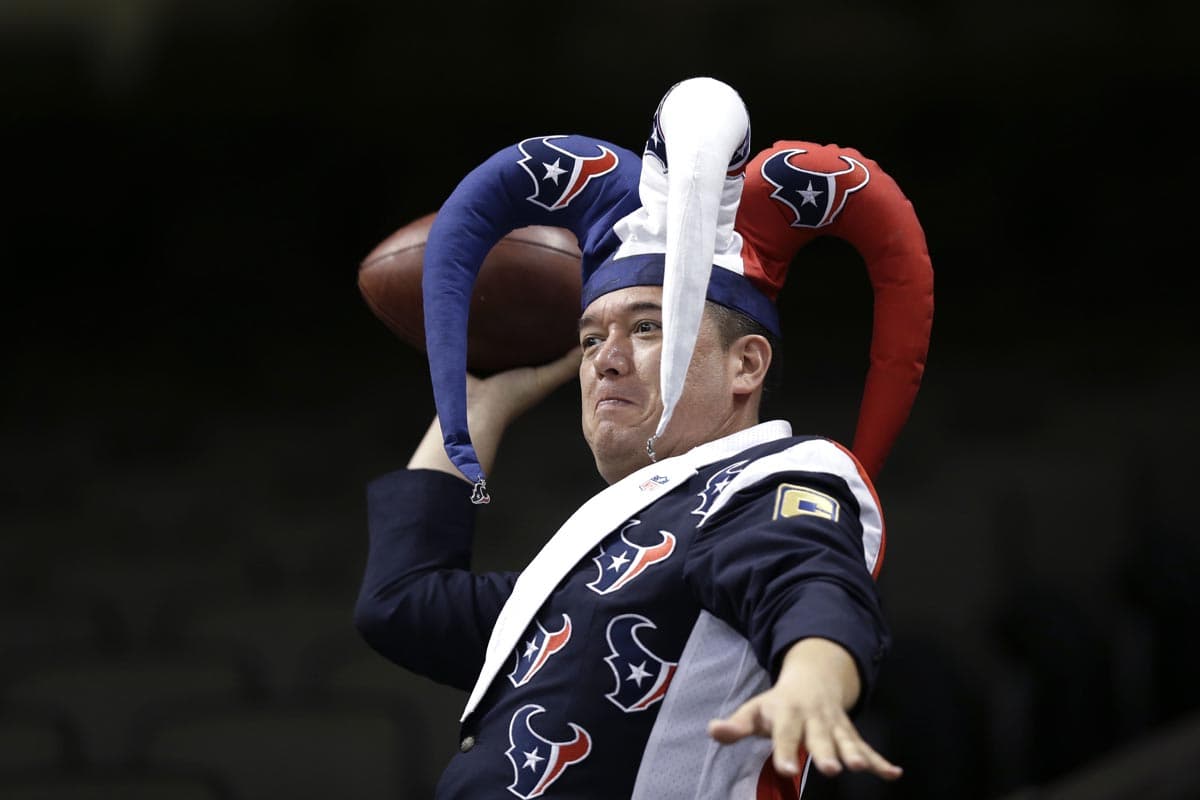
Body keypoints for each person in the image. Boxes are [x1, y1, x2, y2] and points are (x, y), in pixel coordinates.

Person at [356, 77, 932, 798]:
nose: (606, 357)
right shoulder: (594, 559)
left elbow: (812, 582)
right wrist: (477, 408)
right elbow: (401, 605)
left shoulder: (771, 482)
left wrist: (814, 676)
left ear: (745, 364)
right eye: (591, 336)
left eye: (648, 327)